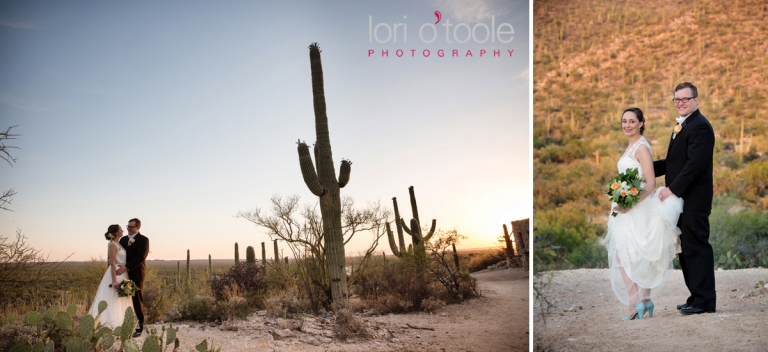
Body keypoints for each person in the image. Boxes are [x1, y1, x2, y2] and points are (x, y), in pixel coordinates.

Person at [605, 107, 683, 321]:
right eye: (624, 121)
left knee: (626, 253)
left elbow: (650, 183)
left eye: (632, 121)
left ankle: (635, 304)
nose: (627, 125)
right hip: (628, 206)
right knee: (633, 253)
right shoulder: (631, 146)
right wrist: (620, 196)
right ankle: (645, 300)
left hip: (638, 207)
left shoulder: (641, 148)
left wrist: (628, 204)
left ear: (641, 123)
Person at [653, 82, 717, 315]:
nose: (680, 103)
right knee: (687, 249)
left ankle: (704, 302)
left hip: (694, 200)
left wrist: (672, 189)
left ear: (696, 100)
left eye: (685, 99)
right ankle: (695, 297)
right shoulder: (684, 125)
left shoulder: (700, 126)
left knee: (697, 248)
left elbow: (694, 165)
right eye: (677, 99)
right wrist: (643, 170)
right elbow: (673, 162)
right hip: (682, 201)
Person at [87, 225, 135, 327]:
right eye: (121, 229)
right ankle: (109, 324)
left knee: (120, 299)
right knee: (112, 298)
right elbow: (112, 263)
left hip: (123, 273)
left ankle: (121, 323)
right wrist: (114, 280)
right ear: (116, 232)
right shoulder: (112, 245)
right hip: (116, 272)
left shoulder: (119, 244)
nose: (123, 230)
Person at [116, 218, 150, 336]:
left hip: (136, 273)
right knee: (122, 298)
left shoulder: (144, 240)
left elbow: (141, 257)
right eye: (128, 226)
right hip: (123, 274)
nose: (129, 229)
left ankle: (139, 326)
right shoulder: (123, 239)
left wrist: (126, 267)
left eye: (131, 227)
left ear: (138, 228)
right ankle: (124, 324)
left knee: (137, 298)